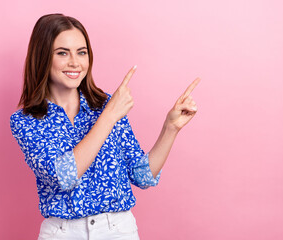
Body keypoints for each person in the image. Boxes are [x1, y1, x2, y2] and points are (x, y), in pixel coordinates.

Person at [10, 13, 200, 240]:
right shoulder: (25, 120)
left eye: (82, 52)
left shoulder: (106, 105)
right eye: (62, 53)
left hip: (117, 231)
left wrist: (170, 128)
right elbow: (64, 176)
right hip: (62, 233)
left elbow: (142, 175)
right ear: (42, 58)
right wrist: (109, 116)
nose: (75, 62)